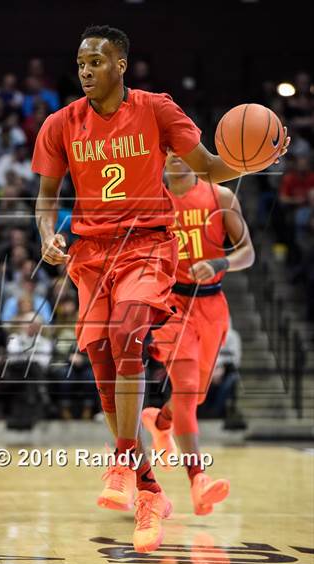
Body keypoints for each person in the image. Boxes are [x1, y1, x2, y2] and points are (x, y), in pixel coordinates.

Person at [32, 25, 289, 553]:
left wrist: (249, 162)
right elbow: (44, 198)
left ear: (120, 65)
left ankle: (124, 460)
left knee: (128, 334)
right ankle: (148, 489)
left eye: (96, 62)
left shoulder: (156, 109)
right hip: (89, 254)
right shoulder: (60, 124)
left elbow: (209, 166)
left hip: (146, 244)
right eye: (81, 62)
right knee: (102, 359)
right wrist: (46, 234)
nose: (85, 70)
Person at [141, 153, 255, 516]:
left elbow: (248, 253)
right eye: (169, 154)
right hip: (172, 306)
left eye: (184, 153)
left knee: (197, 393)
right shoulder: (153, 202)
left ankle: (160, 422)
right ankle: (198, 482)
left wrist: (222, 262)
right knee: (188, 391)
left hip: (213, 306)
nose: (177, 159)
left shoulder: (221, 197)